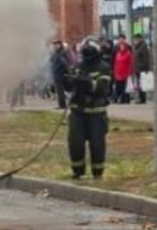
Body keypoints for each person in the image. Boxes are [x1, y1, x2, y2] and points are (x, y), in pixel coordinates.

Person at [64, 38, 111, 180]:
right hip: (77, 112)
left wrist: (87, 82)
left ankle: (97, 173)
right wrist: (67, 81)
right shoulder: (78, 65)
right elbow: (69, 87)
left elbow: (102, 89)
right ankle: (77, 171)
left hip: (96, 113)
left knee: (97, 144)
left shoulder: (103, 67)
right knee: (75, 142)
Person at [49, 39, 72, 110]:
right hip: (56, 74)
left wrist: (65, 71)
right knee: (59, 91)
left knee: (60, 91)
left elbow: (65, 63)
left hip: (60, 74)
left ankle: (62, 105)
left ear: (60, 45)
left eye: (56, 45)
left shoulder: (62, 53)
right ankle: (61, 104)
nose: (55, 46)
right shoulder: (55, 54)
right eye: (54, 45)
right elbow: (51, 62)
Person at [112, 35, 134, 104]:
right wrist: (115, 71)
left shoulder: (128, 54)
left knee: (125, 87)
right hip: (118, 73)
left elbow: (131, 63)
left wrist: (130, 72)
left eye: (123, 46)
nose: (121, 47)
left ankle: (125, 99)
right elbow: (115, 63)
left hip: (125, 73)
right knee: (119, 87)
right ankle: (119, 99)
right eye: (120, 46)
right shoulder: (118, 53)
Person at [132, 34, 151, 104]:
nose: (135, 41)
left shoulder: (143, 46)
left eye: (136, 39)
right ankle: (140, 98)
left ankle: (143, 98)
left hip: (142, 68)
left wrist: (146, 68)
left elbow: (146, 58)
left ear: (139, 39)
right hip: (137, 68)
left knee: (142, 84)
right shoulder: (137, 47)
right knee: (139, 84)